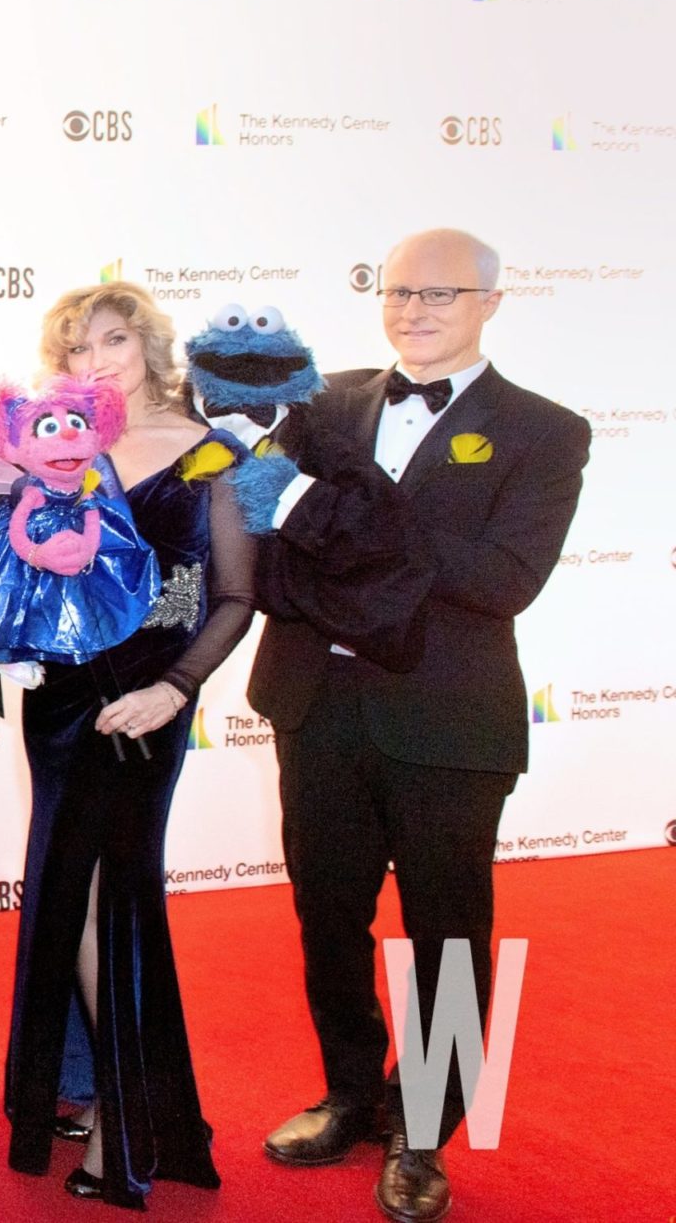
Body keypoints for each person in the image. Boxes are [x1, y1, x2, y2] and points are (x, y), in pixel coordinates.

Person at [251, 229, 589, 1223]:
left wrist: (344, 523)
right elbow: (262, 524)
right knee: (325, 913)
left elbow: (500, 578)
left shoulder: (545, 429)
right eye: (394, 290)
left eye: (437, 292)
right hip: (316, 704)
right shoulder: (322, 403)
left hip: (447, 718)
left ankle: (424, 1129)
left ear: (491, 300)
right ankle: (349, 1094)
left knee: (445, 933)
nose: (410, 308)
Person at [3, 281, 247, 1209]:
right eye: (74, 347)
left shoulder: (210, 452)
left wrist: (173, 688)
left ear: (148, 343)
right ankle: (136, 1106)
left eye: (110, 339)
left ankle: (124, 1120)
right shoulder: (55, 447)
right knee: (68, 902)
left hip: (145, 708)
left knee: (117, 908)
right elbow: (23, 566)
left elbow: (231, 595)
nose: (93, 360)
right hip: (63, 704)